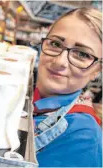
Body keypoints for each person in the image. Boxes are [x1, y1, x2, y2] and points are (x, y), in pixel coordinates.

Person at [33, 7, 102, 167]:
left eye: (82, 54)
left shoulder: (84, 138)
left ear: (96, 71)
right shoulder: (30, 99)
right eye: (55, 44)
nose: (60, 62)